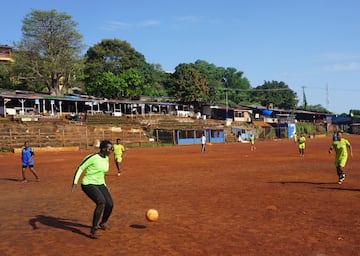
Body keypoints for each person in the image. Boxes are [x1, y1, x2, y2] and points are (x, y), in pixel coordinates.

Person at [71, 140, 114, 239]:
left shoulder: (106, 158)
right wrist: (75, 182)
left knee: (110, 204)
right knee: (101, 202)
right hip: (88, 183)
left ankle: (103, 223)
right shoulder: (93, 157)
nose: (112, 150)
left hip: (100, 184)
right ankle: (93, 230)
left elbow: (101, 174)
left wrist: (105, 185)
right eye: (110, 148)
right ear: (103, 149)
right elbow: (80, 168)